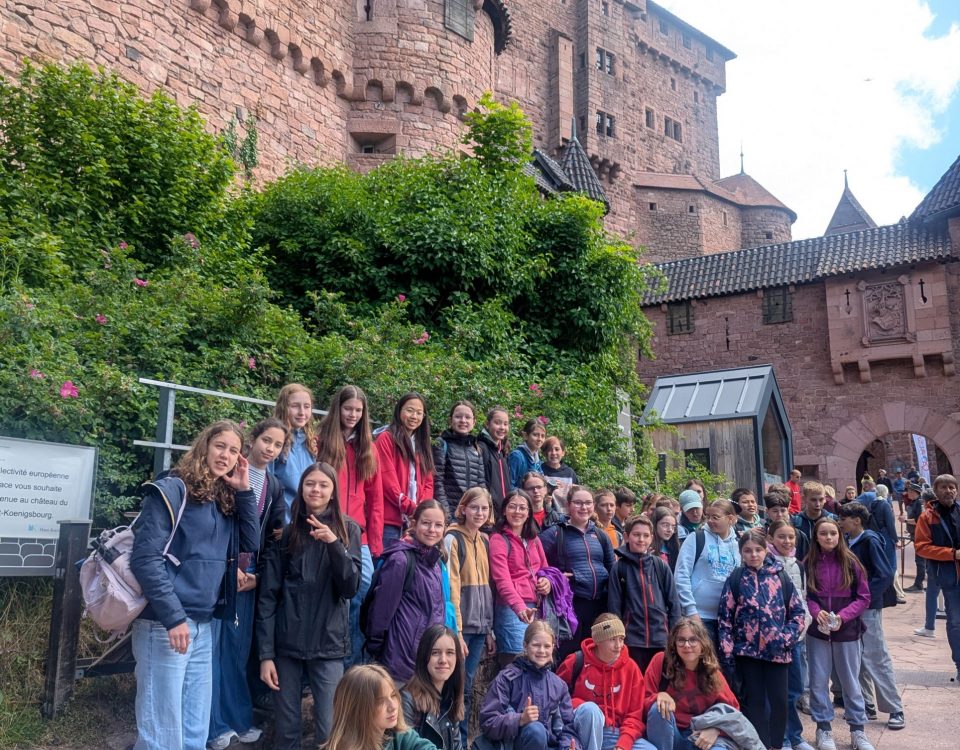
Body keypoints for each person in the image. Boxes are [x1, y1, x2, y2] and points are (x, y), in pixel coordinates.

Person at [130, 420, 259, 750]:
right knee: (161, 727)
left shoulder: (224, 497)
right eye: (220, 446)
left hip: (203, 624)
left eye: (233, 450)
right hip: (166, 623)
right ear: (204, 446)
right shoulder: (173, 488)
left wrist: (244, 491)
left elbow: (250, 542)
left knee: (194, 728)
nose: (226, 455)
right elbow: (145, 559)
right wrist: (173, 617)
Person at [257, 462, 362, 748]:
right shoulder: (289, 534)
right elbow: (268, 595)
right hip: (287, 645)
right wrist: (266, 654)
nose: (316, 489)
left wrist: (333, 544)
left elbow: (350, 587)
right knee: (287, 729)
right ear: (301, 489)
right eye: (310, 484)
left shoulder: (348, 529)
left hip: (327, 645)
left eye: (323, 485)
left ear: (333, 493)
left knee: (330, 730)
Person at [208, 418, 287, 749]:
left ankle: (238, 719)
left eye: (278, 445)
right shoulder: (225, 476)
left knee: (238, 652)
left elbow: (272, 539)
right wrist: (230, 568)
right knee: (213, 651)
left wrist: (258, 577)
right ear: (252, 440)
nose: (269, 448)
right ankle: (213, 726)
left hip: (249, 577)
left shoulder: (275, 486)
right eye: (266, 440)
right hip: (219, 571)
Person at [314, 384, 383, 667]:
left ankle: (350, 662)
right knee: (322, 592)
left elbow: (375, 499)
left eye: (358, 410)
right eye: (348, 409)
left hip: (358, 533)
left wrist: (375, 542)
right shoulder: (321, 441)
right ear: (338, 408)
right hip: (325, 526)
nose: (353, 414)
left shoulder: (368, 448)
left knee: (361, 586)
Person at [717, 529, 805, 750]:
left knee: (780, 702)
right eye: (748, 551)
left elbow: (798, 613)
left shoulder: (780, 576)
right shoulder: (736, 579)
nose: (753, 555)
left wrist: (786, 638)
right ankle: (758, 745)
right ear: (741, 553)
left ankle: (776, 745)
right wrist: (728, 652)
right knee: (754, 703)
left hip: (777, 652)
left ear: (766, 550)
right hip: (747, 653)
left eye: (758, 550)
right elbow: (725, 618)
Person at [805, 518, 873, 750]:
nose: (829, 537)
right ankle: (823, 728)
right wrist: (816, 612)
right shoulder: (809, 562)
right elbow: (806, 596)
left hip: (847, 631)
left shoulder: (851, 562)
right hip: (818, 632)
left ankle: (858, 730)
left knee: (850, 681)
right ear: (816, 537)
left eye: (833, 533)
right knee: (818, 681)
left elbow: (863, 597)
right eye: (823, 533)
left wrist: (844, 616)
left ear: (839, 535)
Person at [837, 503, 904, 731]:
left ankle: (895, 708)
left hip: (867, 607)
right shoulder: (849, 541)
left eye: (844, 518)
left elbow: (884, 574)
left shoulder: (870, 541)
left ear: (856, 520)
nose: (840, 522)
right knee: (858, 657)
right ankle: (866, 704)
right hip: (853, 608)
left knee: (876, 655)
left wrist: (864, 598)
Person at [365, 500, 449, 683]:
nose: (432, 530)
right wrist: (377, 647)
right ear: (414, 523)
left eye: (438, 525)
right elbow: (382, 610)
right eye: (426, 523)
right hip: (400, 660)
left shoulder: (434, 562)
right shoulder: (400, 560)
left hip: (426, 661)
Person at [557, 614, 656, 750]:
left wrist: (623, 745)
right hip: (579, 727)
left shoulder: (631, 668)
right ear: (598, 640)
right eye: (612, 639)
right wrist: (578, 705)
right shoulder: (576, 661)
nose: (618, 645)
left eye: (621, 639)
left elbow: (634, 714)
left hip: (614, 732)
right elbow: (556, 696)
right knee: (591, 710)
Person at [478, 620, 581, 750]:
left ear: (553, 647)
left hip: (549, 745)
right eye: (536, 645)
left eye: (547, 646)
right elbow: (488, 721)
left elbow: (568, 727)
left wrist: (569, 747)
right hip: (514, 744)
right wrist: (519, 719)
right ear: (525, 646)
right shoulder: (507, 679)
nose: (541, 651)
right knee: (535, 730)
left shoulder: (559, 685)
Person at [444, 487, 495, 744]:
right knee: (457, 687)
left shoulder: (484, 540)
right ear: (463, 508)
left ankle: (462, 740)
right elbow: (451, 586)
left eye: (484, 508)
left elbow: (488, 586)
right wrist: (457, 632)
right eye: (474, 507)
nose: (479, 513)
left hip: (480, 626)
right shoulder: (452, 538)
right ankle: (453, 740)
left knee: (467, 687)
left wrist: (489, 629)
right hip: (461, 627)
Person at [540, 485, 616, 659]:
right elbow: (536, 563)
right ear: (568, 505)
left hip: (599, 605)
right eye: (578, 503)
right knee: (569, 655)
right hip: (570, 605)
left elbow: (612, 570)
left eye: (588, 503)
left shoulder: (600, 535)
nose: (584, 508)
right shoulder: (555, 534)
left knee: (595, 655)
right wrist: (556, 577)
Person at [642, 618, 739, 750]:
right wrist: (658, 696)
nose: (687, 645)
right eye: (681, 640)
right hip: (670, 734)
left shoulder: (712, 673)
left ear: (703, 645)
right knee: (657, 709)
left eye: (693, 640)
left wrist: (716, 730)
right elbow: (641, 702)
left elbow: (733, 712)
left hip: (700, 737)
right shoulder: (661, 662)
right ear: (674, 644)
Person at [608, 515, 681, 671]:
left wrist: (674, 637)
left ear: (652, 538)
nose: (641, 539)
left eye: (646, 535)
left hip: (661, 639)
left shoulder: (660, 566)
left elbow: (674, 604)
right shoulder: (619, 568)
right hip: (632, 640)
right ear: (627, 536)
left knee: (660, 684)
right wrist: (619, 638)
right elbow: (614, 608)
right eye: (636, 535)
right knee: (636, 685)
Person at [489, 489, 552, 665]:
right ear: (504, 510)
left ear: (529, 512)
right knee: (516, 662)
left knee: (538, 663)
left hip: (538, 606)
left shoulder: (534, 539)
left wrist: (547, 582)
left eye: (523, 508)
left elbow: (545, 570)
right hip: (511, 610)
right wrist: (519, 608)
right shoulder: (498, 540)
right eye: (513, 507)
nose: (518, 512)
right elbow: (502, 580)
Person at [766, 521, 813, 750]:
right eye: (781, 537)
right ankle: (782, 738)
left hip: (796, 636)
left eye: (790, 537)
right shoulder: (766, 564)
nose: (786, 542)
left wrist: (804, 623)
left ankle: (796, 735)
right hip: (776, 638)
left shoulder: (799, 566)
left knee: (795, 689)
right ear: (771, 538)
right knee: (778, 691)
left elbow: (802, 598)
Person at [674, 499, 740, 651]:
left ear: (730, 519)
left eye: (715, 517)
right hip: (699, 616)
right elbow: (681, 575)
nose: (710, 521)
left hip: (727, 619)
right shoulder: (696, 538)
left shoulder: (738, 545)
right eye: (708, 516)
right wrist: (691, 612)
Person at [324, 664, 438, 750]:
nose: (393, 706)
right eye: (380, 701)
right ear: (357, 709)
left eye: (393, 695)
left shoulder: (400, 736)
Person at [914, 473, 960, 683]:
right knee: (956, 622)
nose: (948, 490)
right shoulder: (927, 517)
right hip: (949, 577)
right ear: (936, 490)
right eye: (944, 487)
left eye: (952, 487)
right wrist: (952, 554)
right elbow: (922, 547)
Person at [376, 392, 436, 547]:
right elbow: (386, 480)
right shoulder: (386, 438)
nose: (414, 416)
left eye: (419, 413)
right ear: (399, 411)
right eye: (409, 410)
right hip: (390, 521)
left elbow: (428, 482)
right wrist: (412, 507)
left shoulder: (422, 444)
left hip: (414, 522)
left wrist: (422, 508)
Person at [401, 624, 465, 750]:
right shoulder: (407, 699)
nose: (443, 660)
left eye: (450, 653)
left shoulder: (452, 698)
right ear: (424, 656)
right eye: (435, 653)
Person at [271, 383, 318, 520]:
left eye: (306, 406)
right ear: (283, 408)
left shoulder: (310, 444)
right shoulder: (274, 442)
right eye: (295, 406)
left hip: (304, 525)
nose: (302, 412)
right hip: (281, 526)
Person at [433, 400, 487, 520]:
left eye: (468, 417)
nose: (463, 420)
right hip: (450, 515)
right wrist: (446, 516)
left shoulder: (476, 448)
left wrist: (483, 516)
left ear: (474, 422)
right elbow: (437, 482)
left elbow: (481, 484)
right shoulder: (441, 444)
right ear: (450, 420)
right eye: (458, 416)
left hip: (471, 517)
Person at [477, 406, 511, 513]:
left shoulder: (502, 451)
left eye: (505, 424)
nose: (502, 427)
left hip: (503, 511)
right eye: (498, 423)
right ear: (487, 424)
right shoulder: (481, 448)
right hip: (489, 512)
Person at [792, 482, 835, 551]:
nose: (817, 504)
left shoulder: (833, 519)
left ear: (825, 499)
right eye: (813, 500)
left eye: (821, 500)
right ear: (804, 499)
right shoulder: (795, 521)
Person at [902, 481, 926, 593]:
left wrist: (905, 520)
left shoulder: (919, 503)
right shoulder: (913, 502)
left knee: (921, 560)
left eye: (910, 491)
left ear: (915, 492)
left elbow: (919, 520)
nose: (908, 493)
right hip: (914, 534)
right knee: (921, 561)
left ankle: (918, 584)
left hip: (920, 535)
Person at [509, 419, 547, 489]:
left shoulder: (537, 461)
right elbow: (509, 485)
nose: (539, 439)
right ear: (525, 435)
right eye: (535, 435)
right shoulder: (517, 456)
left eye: (542, 436)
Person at [651, 507, 680, 572]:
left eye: (673, 527)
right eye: (665, 525)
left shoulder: (674, 549)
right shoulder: (648, 549)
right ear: (654, 525)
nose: (670, 530)